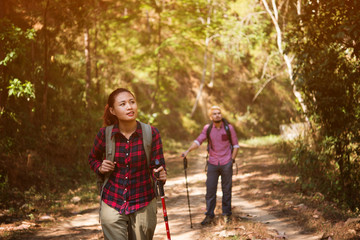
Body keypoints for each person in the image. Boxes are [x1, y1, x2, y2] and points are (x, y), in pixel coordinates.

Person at [88, 88, 167, 240]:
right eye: (123, 104)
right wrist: (100, 167)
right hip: (112, 198)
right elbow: (93, 158)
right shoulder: (104, 134)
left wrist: (161, 175)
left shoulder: (151, 133)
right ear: (112, 110)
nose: (129, 107)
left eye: (132, 102)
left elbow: (158, 166)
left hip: (143, 198)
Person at [181, 105, 239, 225]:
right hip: (212, 163)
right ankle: (209, 216)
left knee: (226, 190)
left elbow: (236, 145)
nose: (217, 115)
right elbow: (198, 141)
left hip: (226, 163)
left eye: (219, 113)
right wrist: (187, 151)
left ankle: (227, 215)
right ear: (210, 116)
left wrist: (231, 161)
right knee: (210, 190)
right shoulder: (208, 128)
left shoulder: (229, 128)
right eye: (215, 113)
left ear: (221, 115)